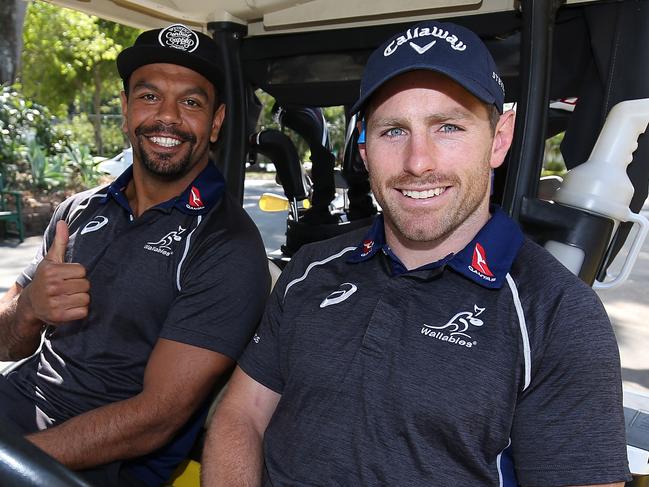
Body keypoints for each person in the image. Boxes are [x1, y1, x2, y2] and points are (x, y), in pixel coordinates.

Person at [201, 20, 631, 487]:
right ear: (364, 147)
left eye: (448, 126)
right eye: (392, 131)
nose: (418, 162)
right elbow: (241, 414)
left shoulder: (557, 314)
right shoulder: (311, 269)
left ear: (499, 138)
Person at [0, 23, 270, 486]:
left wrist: (17, 460)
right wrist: (28, 310)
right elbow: (8, 342)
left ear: (216, 122)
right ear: (125, 111)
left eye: (190, 102)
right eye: (149, 97)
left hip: (101, 461)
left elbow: (155, 418)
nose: (167, 117)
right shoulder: (79, 211)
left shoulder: (227, 246)